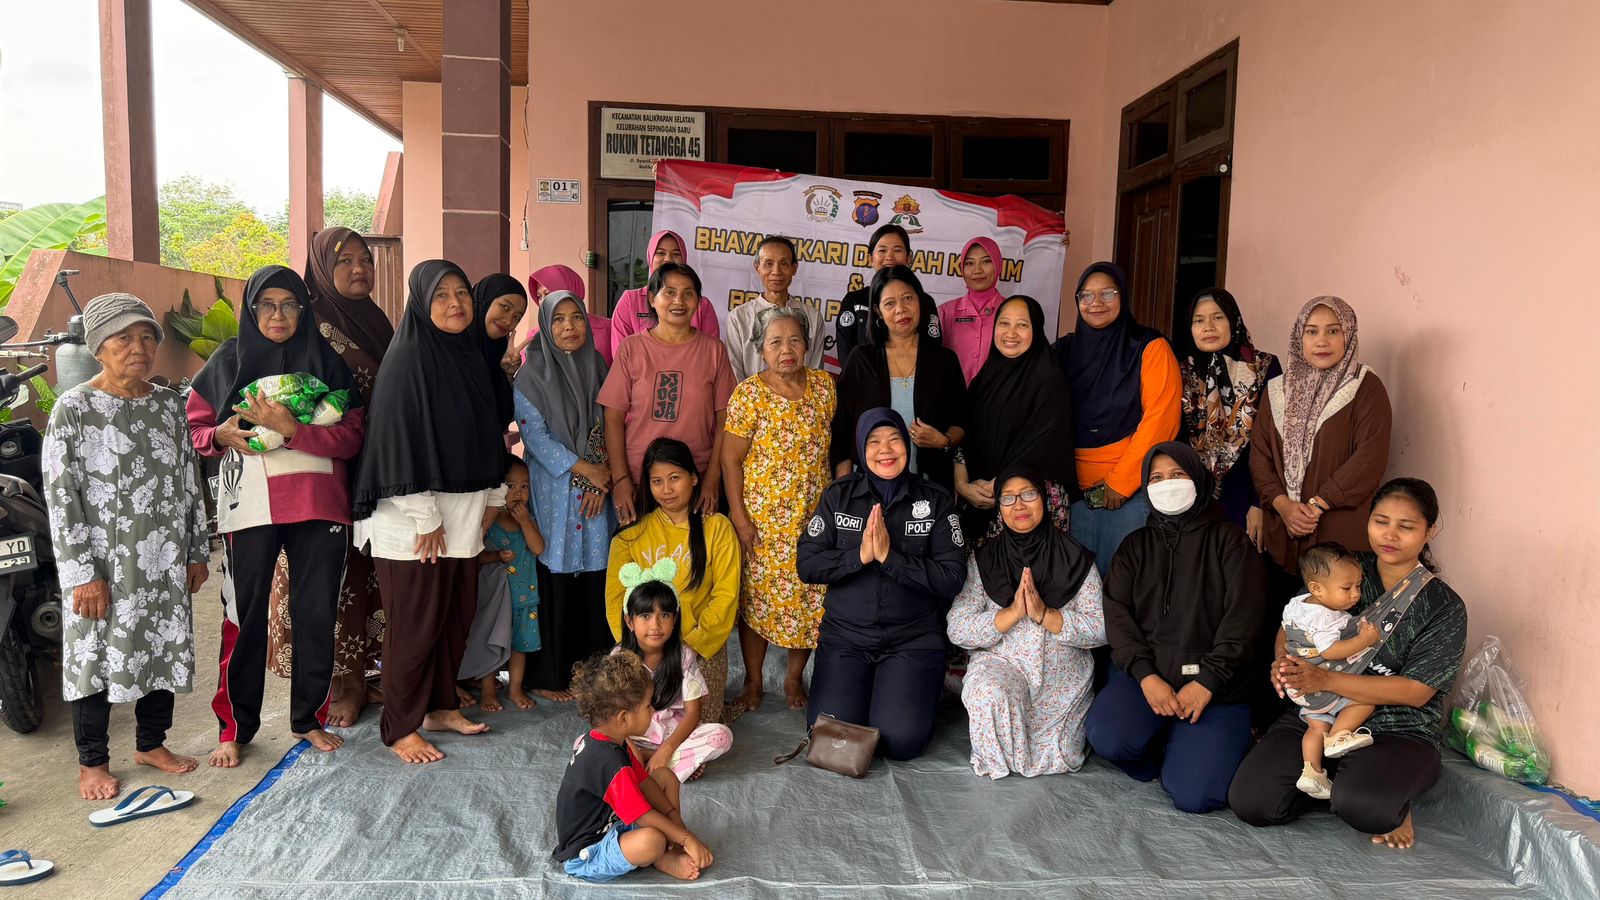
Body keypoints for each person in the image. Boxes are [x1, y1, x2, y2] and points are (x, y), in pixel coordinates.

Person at [187, 265, 366, 767]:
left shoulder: (327, 362)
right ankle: (234, 728)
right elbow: (195, 431)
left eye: (290, 304)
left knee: (316, 614)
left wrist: (293, 431)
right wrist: (219, 435)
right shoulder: (227, 361)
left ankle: (308, 719)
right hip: (250, 505)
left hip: (319, 503)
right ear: (251, 310)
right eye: (266, 304)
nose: (278, 315)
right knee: (243, 616)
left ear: (304, 310)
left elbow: (353, 436)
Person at [1231, 478, 1467, 851]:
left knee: (1366, 808)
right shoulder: (1341, 569)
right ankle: (1334, 775)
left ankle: (1372, 788)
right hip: (1318, 713)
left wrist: (1324, 678)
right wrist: (1284, 662)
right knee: (1252, 801)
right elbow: (1291, 626)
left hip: (1397, 727)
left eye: (1406, 526)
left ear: (1429, 531)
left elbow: (1416, 692)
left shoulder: (1442, 606)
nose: (1390, 535)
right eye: (1380, 521)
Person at [43, 293, 211, 800]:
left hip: (163, 559)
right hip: (103, 565)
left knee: (161, 644)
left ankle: (151, 744)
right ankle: (92, 762)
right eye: (123, 338)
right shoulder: (73, 409)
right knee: (94, 656)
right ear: (98, 347)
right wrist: (82, 574)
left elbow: (189, 479)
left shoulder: (168, 405)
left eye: (146, 337)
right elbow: (61, 497)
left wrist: (196, 549)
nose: (138, 348)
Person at [352, 259, 508, 764]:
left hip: (462, 517)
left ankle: (439, 706)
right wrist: (425, 515)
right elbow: (395, 443)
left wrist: (493, 499)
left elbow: (486, 435)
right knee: (415, 626)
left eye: (461, 292)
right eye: (441, 295)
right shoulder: (408, 361)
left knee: (453, 619)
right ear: (421, 302)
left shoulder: (469, 356)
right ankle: (400, 726)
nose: (455, 304)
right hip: (414, 521)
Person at [1084, 442, 1265, 813]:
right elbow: (1117, 616)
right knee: (1107, 735)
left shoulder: (1230, 541)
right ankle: (1165, 750)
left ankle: (1192, 750)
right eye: (1156, 478)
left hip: (1218, 689)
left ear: (1198, 479)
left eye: (1177, 474)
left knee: (1195, 795)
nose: (1167, 484)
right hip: (1152, 682)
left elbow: (1244, 619)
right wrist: (1146, 676)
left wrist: (1207, 682)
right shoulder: (1135, 547)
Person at [267, 226, 392, 728]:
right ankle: (339, 684)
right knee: (330, 575)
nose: (359, 268)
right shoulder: (308, 326)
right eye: (345, 261)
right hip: (323, 469)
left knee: (368, 571)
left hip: (376, 465)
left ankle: (363, 675)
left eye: (366, 259)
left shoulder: (378, 321)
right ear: (321, 268)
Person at [797, 409, 966, 760]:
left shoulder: (935, 499)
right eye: (874, 441)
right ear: (861, 448)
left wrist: (891, 557)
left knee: (899, 742)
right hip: (846, 637)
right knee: (831, 737)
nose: (885, 450)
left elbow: (952, 577)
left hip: (913, 639)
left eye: (894, 439)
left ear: (907, 445)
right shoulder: (839, 495)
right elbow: (807, 564)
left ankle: (912, 690)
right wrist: (858, 556)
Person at [947, 466, 1105, 779]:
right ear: (999, 507)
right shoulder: (984, 559)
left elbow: (1102, 628)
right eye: (1007, 498)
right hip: (1004, 669)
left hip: (1060, 686)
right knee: (986, 692)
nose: (1018, 505)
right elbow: (957, 626)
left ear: (1044, 499)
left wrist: (1047, 615)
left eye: (1028, 494)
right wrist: (1010, 614)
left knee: (1062, 757)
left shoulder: (1075, 559)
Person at [722, 307, 837, 710]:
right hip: (763, 523)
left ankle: (792, 679)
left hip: (814, 521)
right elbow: (730, 460)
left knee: (808, 601)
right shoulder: (748, 394)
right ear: (761, 350)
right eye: (775, 342)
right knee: (757, 602)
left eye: (794, 340)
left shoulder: (824, 388)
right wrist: (739, 517)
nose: (786, 349)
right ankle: (753, 681)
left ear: (807, 345)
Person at [514, 290, 616, 702]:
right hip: (555, 488)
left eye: (576, 317)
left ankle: (592, 673)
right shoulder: (530, 375)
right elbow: (535, 437)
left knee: (594, 578)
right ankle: (550, 674)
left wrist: (599, 479)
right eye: (558, 319)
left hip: (597, 490)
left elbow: (608, 425)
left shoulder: (599, 366)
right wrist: (586, 471)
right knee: (554, 575)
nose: (569, 326)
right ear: (545, 325)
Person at [1251, 296, 1393, 589]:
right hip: (1282, 537)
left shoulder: (1365, 386)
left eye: (1333, 330)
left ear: (1348, 335)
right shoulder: (1277, 391)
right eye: (1311, 331)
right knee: (1284, 613)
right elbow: (1260, 456)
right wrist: (1283, 505)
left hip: (1338, 541)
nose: (1322, 341)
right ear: (1299, 337)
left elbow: (1369, 458)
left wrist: (1316, 505)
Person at [1054, 262, 1181, 574]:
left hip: (1128, 495)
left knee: (1124, 585)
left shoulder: (1150, 347)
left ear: (1122, 296)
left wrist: (1121, 482)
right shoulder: (1064, 351)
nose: (1096, 302)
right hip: (1071, 495)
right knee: (1077, 587)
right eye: (1086, 295)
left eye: (1107, 293)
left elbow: (1160, 420)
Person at [607, 439, 740, 722]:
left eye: (674, 478)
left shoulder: (717, 528)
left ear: (694, 478)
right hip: (644, 649)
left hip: (699, 647)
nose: (666, 489)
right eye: (657, 481)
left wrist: (690, 647)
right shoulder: (629, 536)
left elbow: (725, 597)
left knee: (696, 724)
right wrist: (638, 649)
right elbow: (616, 602)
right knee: (633, 719)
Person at [553, 652, 714, 883]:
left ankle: (668, 849)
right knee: (652, 840)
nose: (653, 712)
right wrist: (687, 839)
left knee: (665, 777)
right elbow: (642, 814)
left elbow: (645, 782)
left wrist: (678, 828)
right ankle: (661, 854)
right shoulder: (608, 761)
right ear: (623, 718)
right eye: (647, 706)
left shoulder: (613, 742)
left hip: (615, 821)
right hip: (588, 851)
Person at [600, 262, 735, 526]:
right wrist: (621, 479)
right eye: (669, 292)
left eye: (688, 293)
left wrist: (712, 478)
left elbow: (726, 421)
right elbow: (613, 418)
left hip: (695, 481)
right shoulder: (632, 348)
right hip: (641, 483)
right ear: (652, 299)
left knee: (696, 551)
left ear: (698, 301)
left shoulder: (714, 351)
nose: (679, 301)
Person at [832, 265, 967, 490]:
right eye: (890, 303)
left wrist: (944, 440)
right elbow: (842, 426)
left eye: (907, 298)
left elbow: (962, 420)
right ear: (878, 311)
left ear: (920, 300)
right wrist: (843, 483)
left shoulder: (944, 360)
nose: (901, 309)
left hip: (929, 485)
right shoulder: (862, 359)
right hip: (868, 486)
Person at [955, 295, 1075, 544]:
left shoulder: (1048, 379)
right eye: (1004, 323)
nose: (1011, 333)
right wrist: (962, 484)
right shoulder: (985, 379)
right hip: (978, 501)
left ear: (1036, 330)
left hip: (1028, 505)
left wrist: (999, 484)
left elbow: (1046, 446)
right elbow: (963, 432)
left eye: (1022, 324)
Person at [613, 563, 734, 781]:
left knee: (721, 735)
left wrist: (666, 750)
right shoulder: (618, 658)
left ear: (675, 619)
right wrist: (633, 750)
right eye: (645, 615)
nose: (655, 625)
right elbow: (611, 715)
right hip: (631, 739)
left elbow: (693, 713)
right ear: (629, 621)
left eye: (664, 615)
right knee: (590, 742)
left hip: (673, 737)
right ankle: (668, 765)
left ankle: (654, 764)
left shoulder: (683, 656)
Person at [1279, 542, 1380, 799]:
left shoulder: (1297, 603)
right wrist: (1364, 640)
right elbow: (1330, 651)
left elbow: (1287, 630)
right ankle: (1338, 737)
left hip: (1299, 688)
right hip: (1319, 685)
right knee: (1365, 700)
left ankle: (1311, 772)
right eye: (1346, 588)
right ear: (1316, 588)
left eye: (1358, 585)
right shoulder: (1326, 618)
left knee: (1315, 727)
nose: (1355, 594)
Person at [1176, 287, 1281, 537]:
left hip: (1246, 495)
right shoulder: (1179, 371)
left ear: (1233, 321)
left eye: (1218, 317)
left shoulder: (1264, 367)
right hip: (1193, 499)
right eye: (1199, 320)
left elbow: (1275, 440)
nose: (1208, 327)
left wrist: (1259, 502)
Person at [468, 454, 546, 712]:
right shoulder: (488, 522)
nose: (518, 493)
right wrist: (495, 557)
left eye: (524, 486)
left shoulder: (526, 519)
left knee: (519, 645)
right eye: (510, 486)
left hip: (524, 599)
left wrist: (525, 521)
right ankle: (488, 690)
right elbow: (474, 558)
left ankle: (515, 689)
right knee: (491, 642)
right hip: (494, 603)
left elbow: (538, 548)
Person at [722, 236, 825, 380]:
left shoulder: (812, 317)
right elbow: (734, 372)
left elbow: (815, 373)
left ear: (794, 268)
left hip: (802, 394)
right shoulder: (739, 317)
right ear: (757, 267)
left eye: (784, 263)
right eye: (768, 264)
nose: (776, 271)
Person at [834, 224, 938, 367]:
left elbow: (933, 351)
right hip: (864, 379)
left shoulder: (925, 301)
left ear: (908, 257)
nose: (889, 257)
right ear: (870, 258)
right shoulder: (854, 300)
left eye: (897, 250)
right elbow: (847, 356)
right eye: (882, 250)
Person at [609, 230, 720, 358]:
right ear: (650, 257)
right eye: (660, 253)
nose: (668, 259)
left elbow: (711, 356)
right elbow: (621, 356)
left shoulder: (702, 305)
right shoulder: (630, 300)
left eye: (676, 254)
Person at [937, 237, 1006, 383]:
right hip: (953, 395)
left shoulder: (1011, 311)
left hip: (998, 396)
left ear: (998, 264)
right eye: (969, 263)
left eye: (986, 261)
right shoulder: (944, 312)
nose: (977, 270)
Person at [523, 264, 610, 364]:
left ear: (570, 291)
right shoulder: (535, 334)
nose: (543, 302)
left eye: (547, 294)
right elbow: (529, 370)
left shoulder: (608, 327)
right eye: (539, 297)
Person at [474, 273, 530, 384]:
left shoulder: (499, 354)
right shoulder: (453, 349)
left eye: (517, 317)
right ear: (485, 300)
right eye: (505, 307)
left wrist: (506, 375)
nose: (508, 321)